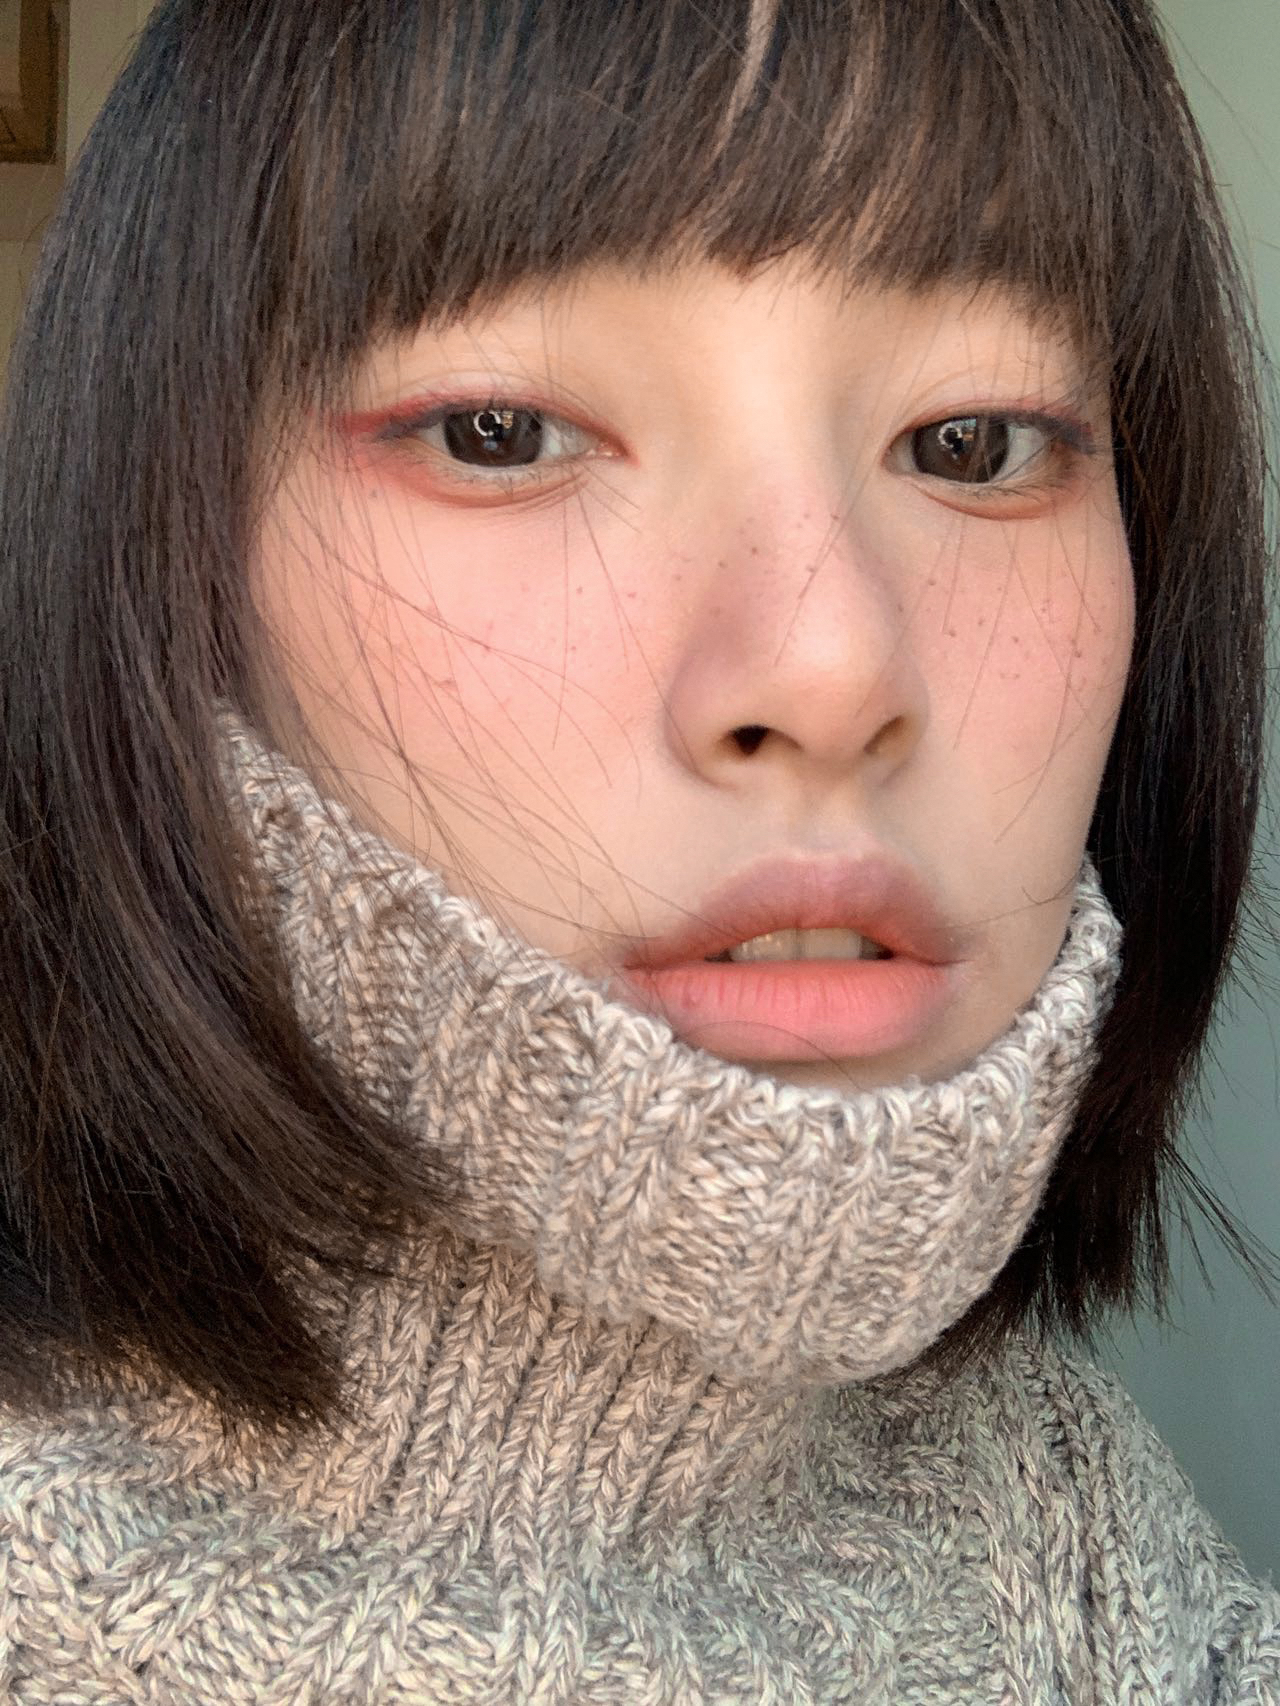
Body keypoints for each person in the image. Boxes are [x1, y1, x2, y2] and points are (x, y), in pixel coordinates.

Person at [1, 0, 1277, 1698]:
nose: (830, 668)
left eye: (971, 443)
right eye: (503, 432)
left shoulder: (1081, 1522)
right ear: (155, 564)